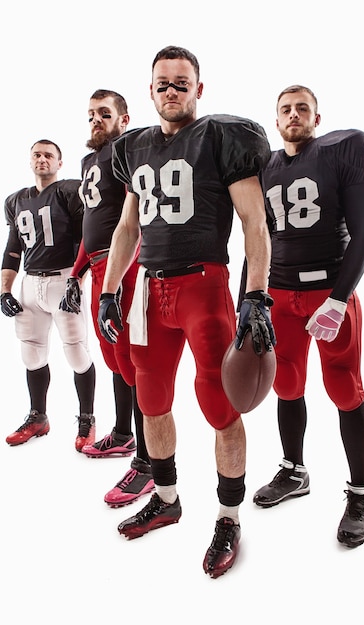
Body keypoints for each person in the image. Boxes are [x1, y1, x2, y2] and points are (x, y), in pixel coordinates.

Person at [97, 45, 275, 578]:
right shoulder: (133, 148)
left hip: (204, 285)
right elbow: (128, 227)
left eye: (182, 82)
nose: (171, 90)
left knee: (219, 405)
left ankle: (228, 517)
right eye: (163, 83)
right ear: (150, 89)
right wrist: (110, 291)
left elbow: (253, 222)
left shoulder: (223, 137)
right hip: (150, 291)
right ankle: (168, 498)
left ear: (199, 88)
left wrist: (257, 292)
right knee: (151, 399)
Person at [249, 85, 364, 548]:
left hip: (328, 290)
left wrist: (341, 298)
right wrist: (253, 296)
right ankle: (293, 471)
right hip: (280, 293)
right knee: (285, 383)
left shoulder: (344, 149)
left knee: (344, 386)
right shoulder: (266, 166)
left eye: (302, 107)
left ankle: (361, 493)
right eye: (285, 109)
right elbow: (257, 237)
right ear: (276, 119)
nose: (294, 114)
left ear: (317, 118)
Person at [59, 89, 154, 507]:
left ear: (124, 118)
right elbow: (91, 226)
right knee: (115, 356)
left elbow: (137, 217)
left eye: (105, 113)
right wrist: (76, 272)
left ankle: (150, 463)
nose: (96, 120)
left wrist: (126, 269)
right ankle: (122, 432)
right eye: (91, 115)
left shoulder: (131, 148)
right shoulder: (87, 162)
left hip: (128, 263)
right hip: (98, 266)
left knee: (139, 361)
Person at [1, 139, 97, 452]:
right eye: (37, 154)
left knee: (76, 352)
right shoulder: (16, 200)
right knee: (31, 353)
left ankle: (87, 418)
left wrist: (77, 279)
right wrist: (5, 289)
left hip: (63, 278)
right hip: (30, 283)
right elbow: (13, 249)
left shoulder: (69, 191)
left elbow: (86, 237)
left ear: (59, 162)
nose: (42, 159)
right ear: (30, 161)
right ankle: (37, 416)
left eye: (48, 155)